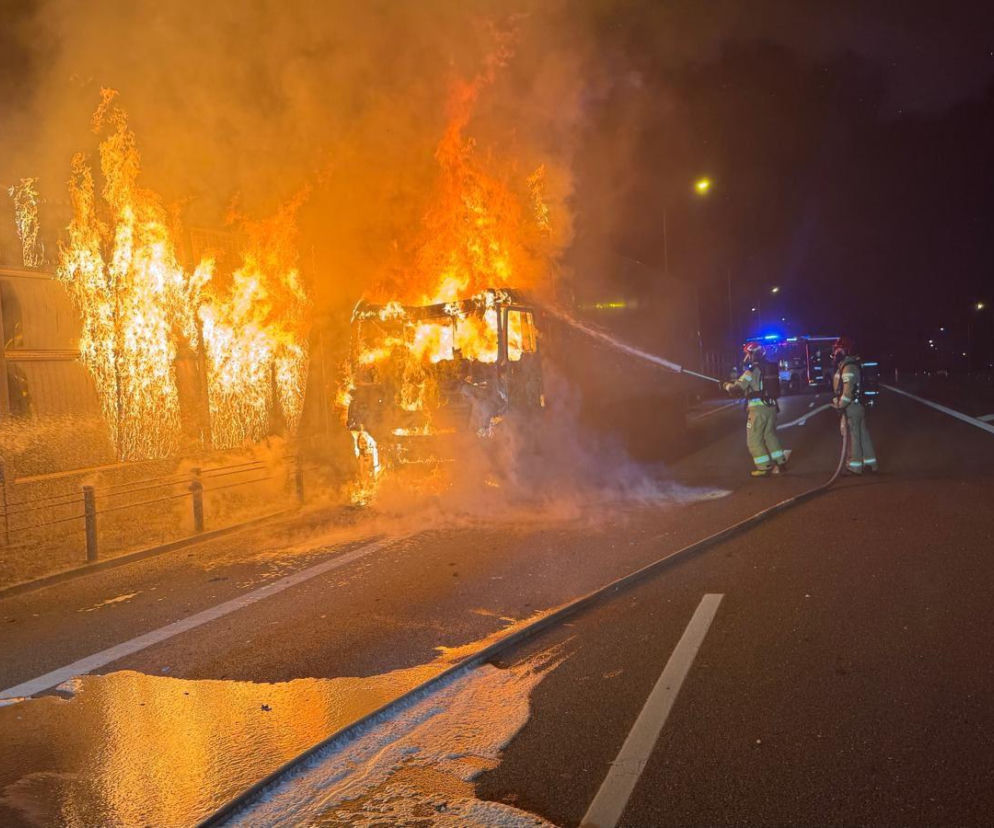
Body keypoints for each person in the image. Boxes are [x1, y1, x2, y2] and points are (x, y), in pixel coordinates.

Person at [724, 342, 788, 476]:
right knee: (769, 435)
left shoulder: (751, 371)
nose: (747, 357)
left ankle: (764, 467)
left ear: (752, 354)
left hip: (758, 411)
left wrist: (725, 386)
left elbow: (737, 388)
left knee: (753, 440)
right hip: (771, 408)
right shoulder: (768, 367)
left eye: (747, 354)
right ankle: (780, 461)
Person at [831, 335, 878, 474]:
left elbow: (847, 392)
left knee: (853, 436)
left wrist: (840, 405)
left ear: (845, 351)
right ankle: (870, 463)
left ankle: (855, 466)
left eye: (838, 350)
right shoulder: (849, 365)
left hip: (851, 407)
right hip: (857, 406)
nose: (835, 354)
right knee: (863, 434)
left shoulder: (848, 367)